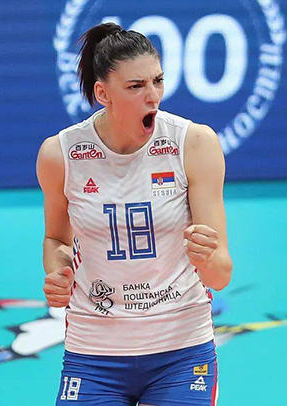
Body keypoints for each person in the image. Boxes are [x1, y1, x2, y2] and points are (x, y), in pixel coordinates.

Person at [36, 22, 232, 406]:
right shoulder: (61, 155)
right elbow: (56, 238)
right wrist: (57, 271)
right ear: (103, 93)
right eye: (136, 86)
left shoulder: (193, 144)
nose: (153, 96)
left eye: (157, 81)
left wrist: (207, 257)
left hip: (181, 350)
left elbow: (221, 275)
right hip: (93, 352)